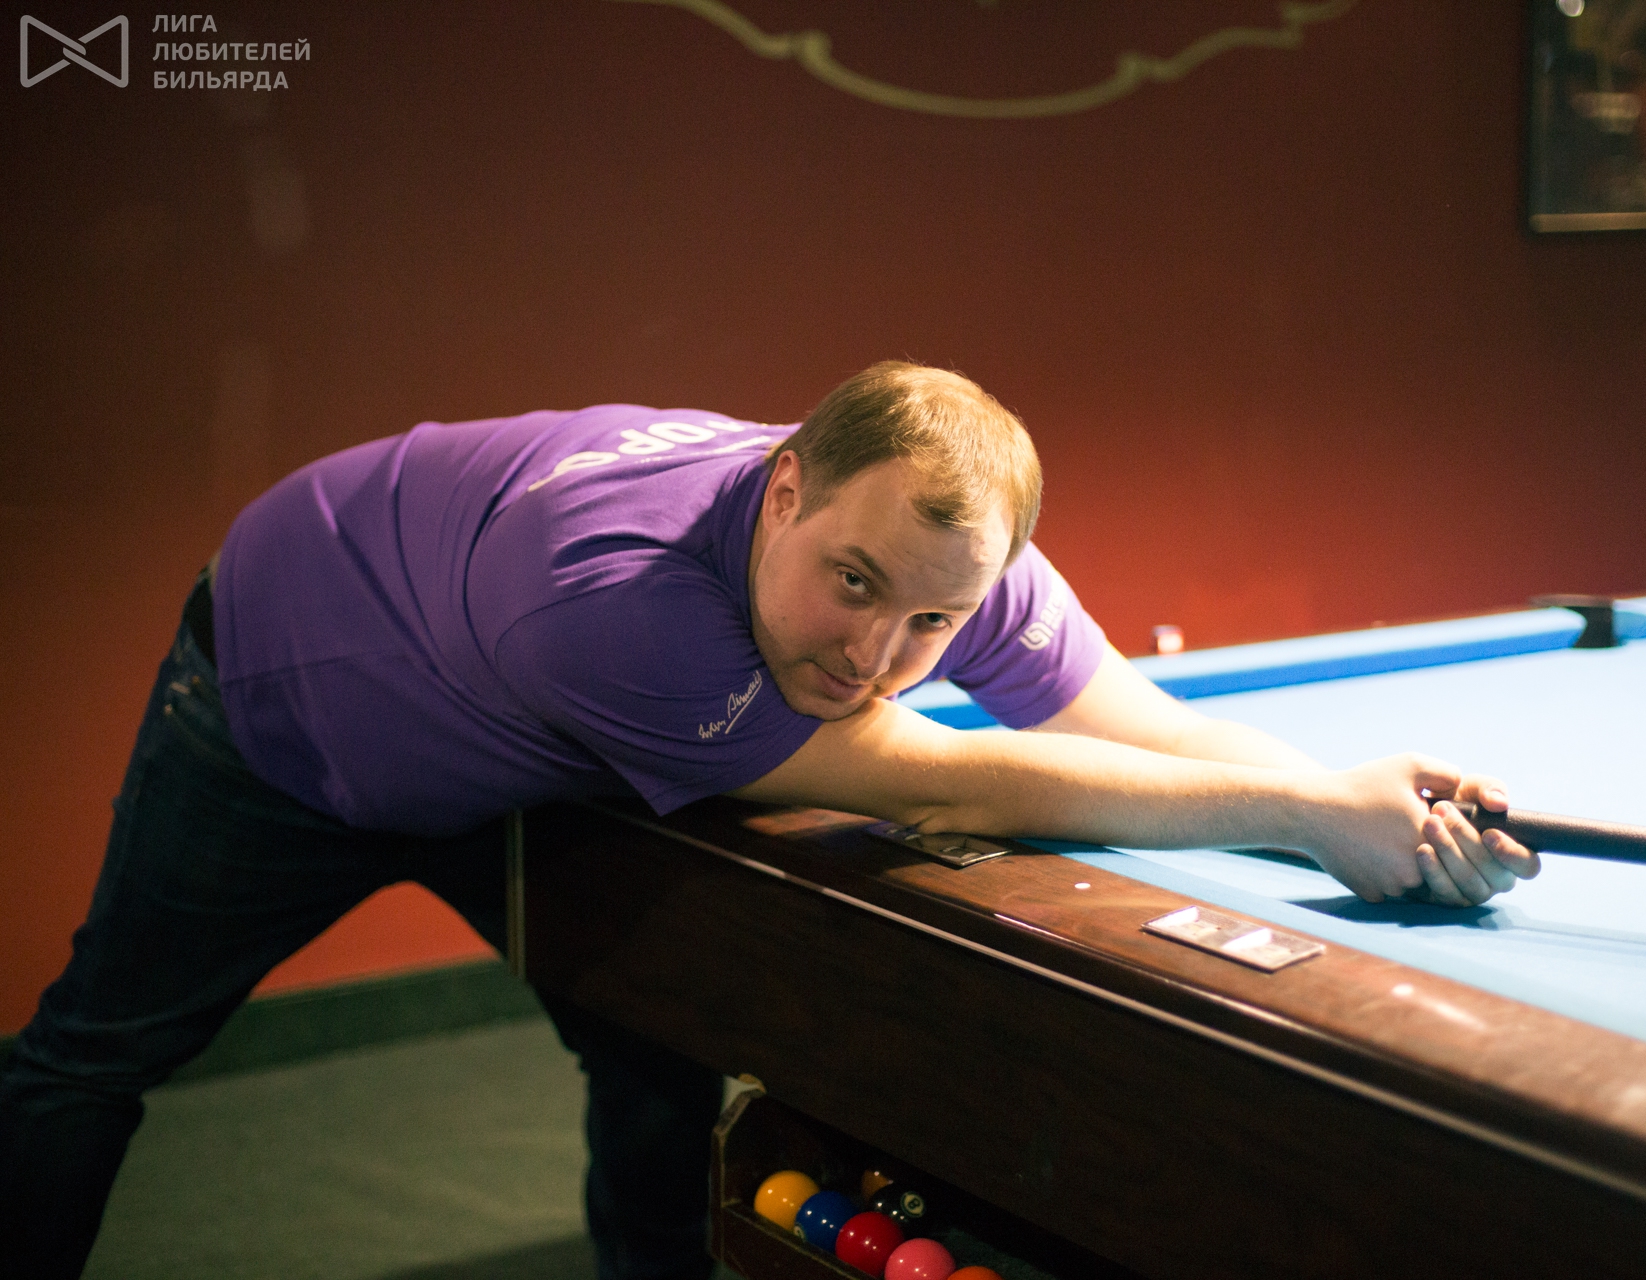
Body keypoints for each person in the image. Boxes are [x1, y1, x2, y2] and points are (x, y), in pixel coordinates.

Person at [0, 361, 1537, 1278]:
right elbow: (958, 776)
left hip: (525, 744)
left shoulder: (945, 548)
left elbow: (1141, 725)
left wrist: (1351, 794)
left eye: (933, 623)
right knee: (95, 1055)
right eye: (852, 587)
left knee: (653, 1037)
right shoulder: (612, 602)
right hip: (287, 701)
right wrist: (1300, 814)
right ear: (786, 487)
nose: (876, 652)